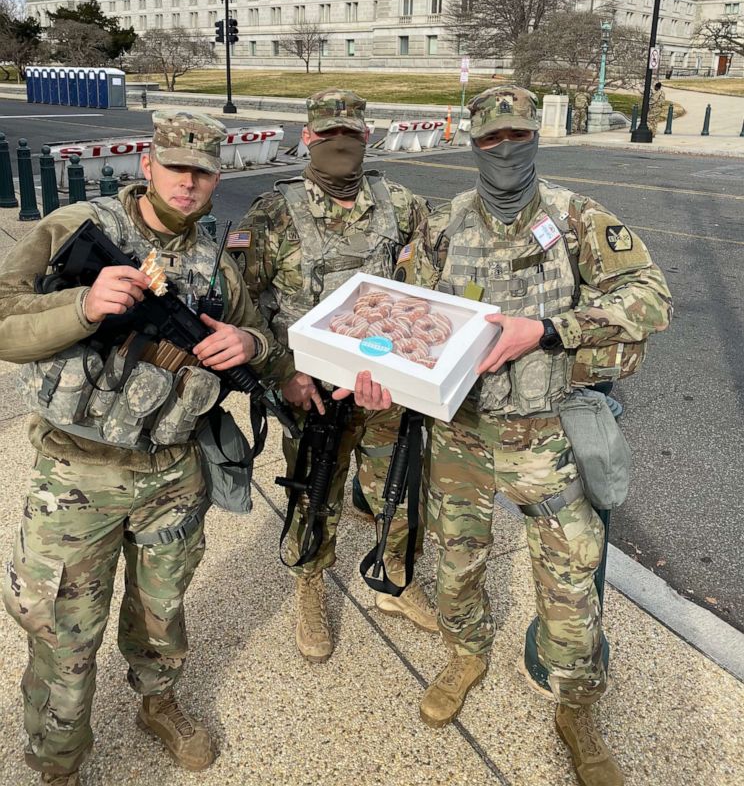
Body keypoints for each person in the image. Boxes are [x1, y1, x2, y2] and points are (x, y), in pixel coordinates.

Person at [0, 109, 297, 786]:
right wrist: (81, 307)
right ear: (149, 166)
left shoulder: (217, 263)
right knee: (62, 632)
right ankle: (56, 760)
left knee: (161, 612)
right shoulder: (78, 228)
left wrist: (249, 346)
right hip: (78, 473)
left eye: (203, 173)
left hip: (171, 471)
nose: (189, 185)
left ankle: (158, 705)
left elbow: (263, 342)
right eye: (177, 169)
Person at [396, 86, 672, 786]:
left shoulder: (575, 215)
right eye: (492, 138)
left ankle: (576, 705)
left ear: (535, 139)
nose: (507, 149)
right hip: (458, 431)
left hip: (541, 433)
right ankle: (466, 654)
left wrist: (549, 331)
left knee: (570, 570)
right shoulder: (440, 223)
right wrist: (382, 375)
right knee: (457, 560)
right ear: (474, 144)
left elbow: (649, 295)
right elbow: (411, 319)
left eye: (519, 134)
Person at [228, 88, 437, 663]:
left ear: (367, 137)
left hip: (386, 387)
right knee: (313, 489)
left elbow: (432, 285)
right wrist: (283, 371)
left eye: (351, 135)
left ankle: (396, 574)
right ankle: (310, 584)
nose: (339, 145)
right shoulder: (272, 215)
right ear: (308, 139)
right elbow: (243, 303)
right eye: (327, 136)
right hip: (311, 388)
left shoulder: (401, 203)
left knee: (396, 481)